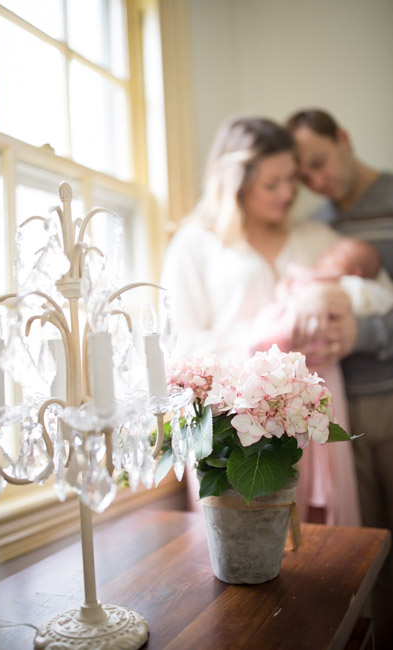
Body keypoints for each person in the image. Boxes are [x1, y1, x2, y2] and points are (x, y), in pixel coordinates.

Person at [161, 115, 360, 527]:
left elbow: (375, 291)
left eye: (292, 180)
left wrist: (340, 306)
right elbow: (180, 347)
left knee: (327, 552)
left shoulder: (314, 237)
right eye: (273, 184)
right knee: (247, 550)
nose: (288, 194)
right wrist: (267, 344)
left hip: (315, 420)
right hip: (236, 429)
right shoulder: (195, 245)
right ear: (235, 182)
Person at [287, 108, 393, 649]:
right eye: (304, 175)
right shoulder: (319, 227)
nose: (315, 180)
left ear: (344, 139)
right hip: (346, 408)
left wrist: (367, 332)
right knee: (370, 545)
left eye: (319, 162)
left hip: (390, 397)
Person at [250, 237, 393, 354]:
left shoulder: (341, 277)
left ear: (354, 272)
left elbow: (307, 275)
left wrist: (293, 270)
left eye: (337, 253)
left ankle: (264, 345)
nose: (328, 252)